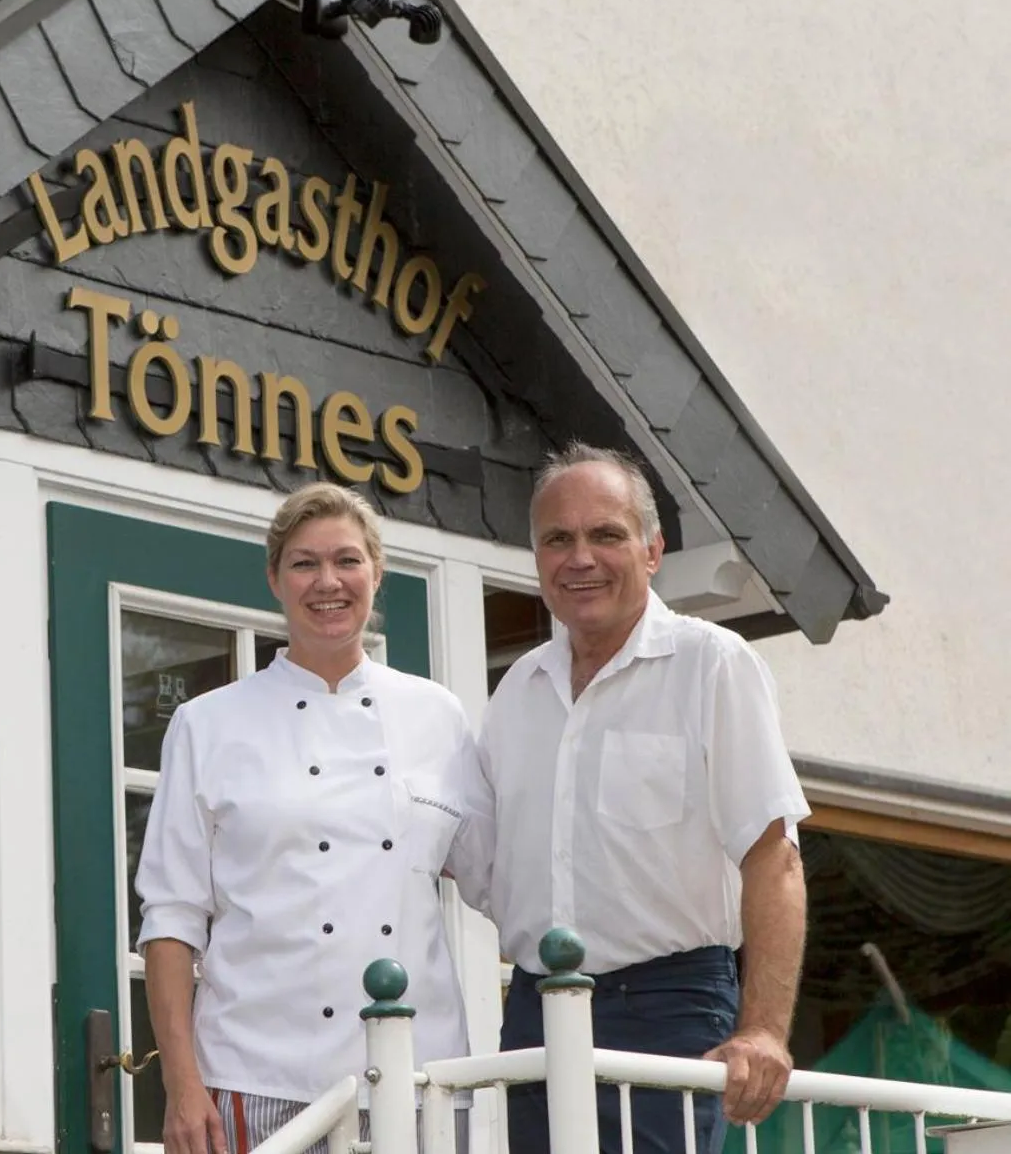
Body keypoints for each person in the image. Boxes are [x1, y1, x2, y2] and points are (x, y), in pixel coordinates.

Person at [463, 443, 809, 1154]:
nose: (579, 557)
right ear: (536, 558)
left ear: (652, 550)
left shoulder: (713, 664)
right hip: (534, 1008)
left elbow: (773, 858)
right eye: (558, 538)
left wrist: (764, 1029)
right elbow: (480, 857)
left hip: (669, 1005)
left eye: (606, 534)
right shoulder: (516, 691)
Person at [135, 481, 483, 1154]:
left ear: (376, 573)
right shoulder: (207, 724)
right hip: (254, 1077)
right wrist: (182, 1084)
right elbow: (172, 920)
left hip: (416, 1082)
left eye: (348, 560)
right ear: (274, 578)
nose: (329, 581)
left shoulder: (438, 715)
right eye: (304, 563)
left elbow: (498, 874)